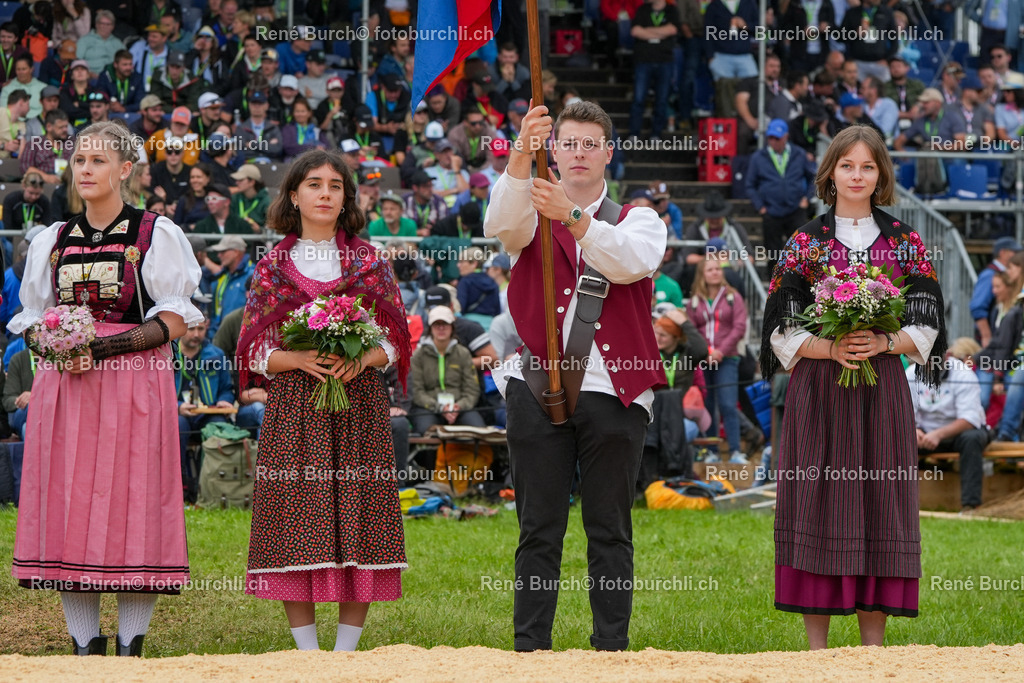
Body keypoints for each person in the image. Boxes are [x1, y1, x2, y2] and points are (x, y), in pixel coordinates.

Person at [7, 120, 203, 656]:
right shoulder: (53, 238)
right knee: (69, 499)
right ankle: (83, 647)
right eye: (79, 161)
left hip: (134, 383)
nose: (86, 170)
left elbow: (176, 318)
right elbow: (33, 319)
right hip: (65, 389)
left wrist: (103, 349)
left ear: (124, 169)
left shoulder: (155, 232)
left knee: (133, 495)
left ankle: (130, 646)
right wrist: (53, 347)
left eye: (97, 161)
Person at [483, 100, 667, 652]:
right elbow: (500, 224)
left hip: (616, 389)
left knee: (609, 530)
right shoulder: (527, 208)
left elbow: (629, 262)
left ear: (609, 152)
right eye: (568, 143)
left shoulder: (641, 218)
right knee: (538, 529)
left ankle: (610, 649)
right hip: (536, 385)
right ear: (553, 150)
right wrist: (521, 152)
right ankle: (529, 649)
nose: (580, 152)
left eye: (591, 143)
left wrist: (572, 216)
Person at [760, 124, 945, 649]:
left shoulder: (905, 240)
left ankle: (872, 649)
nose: (857, 175)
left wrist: (885, 345)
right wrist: (831, 348)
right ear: (831, 173)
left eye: (867, 166)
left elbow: (928, 322)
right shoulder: (805, 242)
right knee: (818, 498)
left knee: (879, 497)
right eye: (847, 166)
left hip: (882, 389)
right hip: (819, 392)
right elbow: (780, 327)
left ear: (881, 174)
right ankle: (817, 652)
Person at [237, 149, 411, 652]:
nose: (325, 194)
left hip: (360, 410)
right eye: (314, 184)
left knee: (361, 513)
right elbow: (253, 349)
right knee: (299, 516)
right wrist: (299, 361)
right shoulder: (272, 266)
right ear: (294, 195)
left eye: (336, 186)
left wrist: (363, 360)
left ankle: (347, 653)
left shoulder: (369, 261)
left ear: (346, 199)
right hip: (295, 409)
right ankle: (308, 654)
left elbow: (396, 339)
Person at [909, 346, 987, 512]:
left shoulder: (964, 374)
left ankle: (970, 506)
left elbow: (969, 419)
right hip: (924, 435)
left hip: (960, 433)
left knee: (971, 438)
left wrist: (938, 434)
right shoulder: (910, 374)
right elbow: (905, 413)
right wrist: (912, 430)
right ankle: (902, 505)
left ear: (948, 355)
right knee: (898, 439)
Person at [687, 258, 748, 463]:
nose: (715, 272)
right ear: (702, 274)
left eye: (717, 269)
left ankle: (735, 451)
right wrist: (705, 352)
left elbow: (739, 327)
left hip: (727, 357)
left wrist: (720, 351)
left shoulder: (733, 297)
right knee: (707, 404)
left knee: (728, 404)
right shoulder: (695, 300)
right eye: (710, 269)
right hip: (704, 359)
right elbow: (691, 330)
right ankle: (711, 451)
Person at [639, 308, 708, 491]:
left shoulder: (686, 355)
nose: (658, 338)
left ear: (676, 338)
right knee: (647, 433)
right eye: (656, 333)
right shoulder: (649, 354)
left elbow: (702, 349)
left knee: (683, 431)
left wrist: (684, 322)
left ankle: (678, 478)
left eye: (664, 335)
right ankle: (649, 483)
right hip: (652, 417)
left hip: (681, 417)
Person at [408, 305, 486, 444]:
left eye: (445, 324)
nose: (441, 328)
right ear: (430, 328)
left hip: (459, 407)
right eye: (436, 324)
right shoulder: (418, 355)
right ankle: (429, 466)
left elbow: (472, 389)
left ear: (452, 327)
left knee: (478, 430)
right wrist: (439, 407)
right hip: (428, 407)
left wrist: (459, 406)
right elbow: (416, 391)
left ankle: (473, 465)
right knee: (428, 432)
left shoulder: (463, 353)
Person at [745, 119, 817, 265]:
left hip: (795, 209)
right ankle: (774, 286)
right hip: (771, 212)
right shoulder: (758, 157)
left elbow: (814, 178)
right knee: (773, 254)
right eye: (770, 138)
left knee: (799, 251)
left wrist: (807, 198)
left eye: (777, 138)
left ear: (786, 137)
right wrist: (761, 207)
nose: (773, 141)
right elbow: (749, 185)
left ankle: (799, 284)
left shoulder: (799, 154)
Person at [974, 271, 1024, 409]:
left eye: (997, 287)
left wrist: (998, 377)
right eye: (993, 287)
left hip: (1003, 365)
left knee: (983, 399)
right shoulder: (996, 309)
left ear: (1009, 287)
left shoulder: (1015, 312)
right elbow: (996, 344)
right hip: (991, 361)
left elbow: (1004, 347)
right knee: (979, 398)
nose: (993, 291)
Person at [971, 237, 1022, 347]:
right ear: (1002, 253)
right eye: (1015, 252)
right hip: (990, 337)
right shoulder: (989, 275)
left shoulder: (999, 273)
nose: (1018, 255)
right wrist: (986, 336)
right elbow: (978, 307)